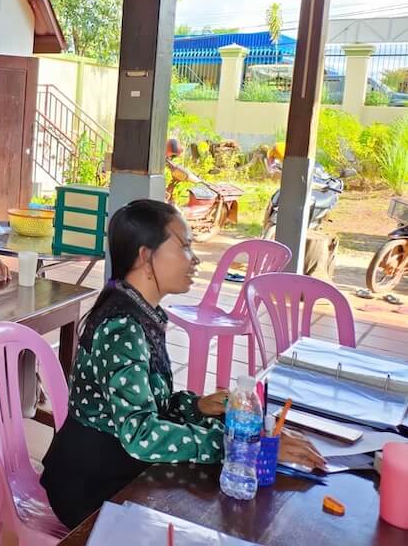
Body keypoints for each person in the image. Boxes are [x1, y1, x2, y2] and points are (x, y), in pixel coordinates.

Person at [40, 199, 324, 529]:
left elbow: (148, 404)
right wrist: (241, 447)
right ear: (146, 257)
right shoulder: (122, 327)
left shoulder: (141, 312)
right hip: (90, 485)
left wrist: (197, 406)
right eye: (185, 246)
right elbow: (140, 433)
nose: (195, 259)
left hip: (120, 466)